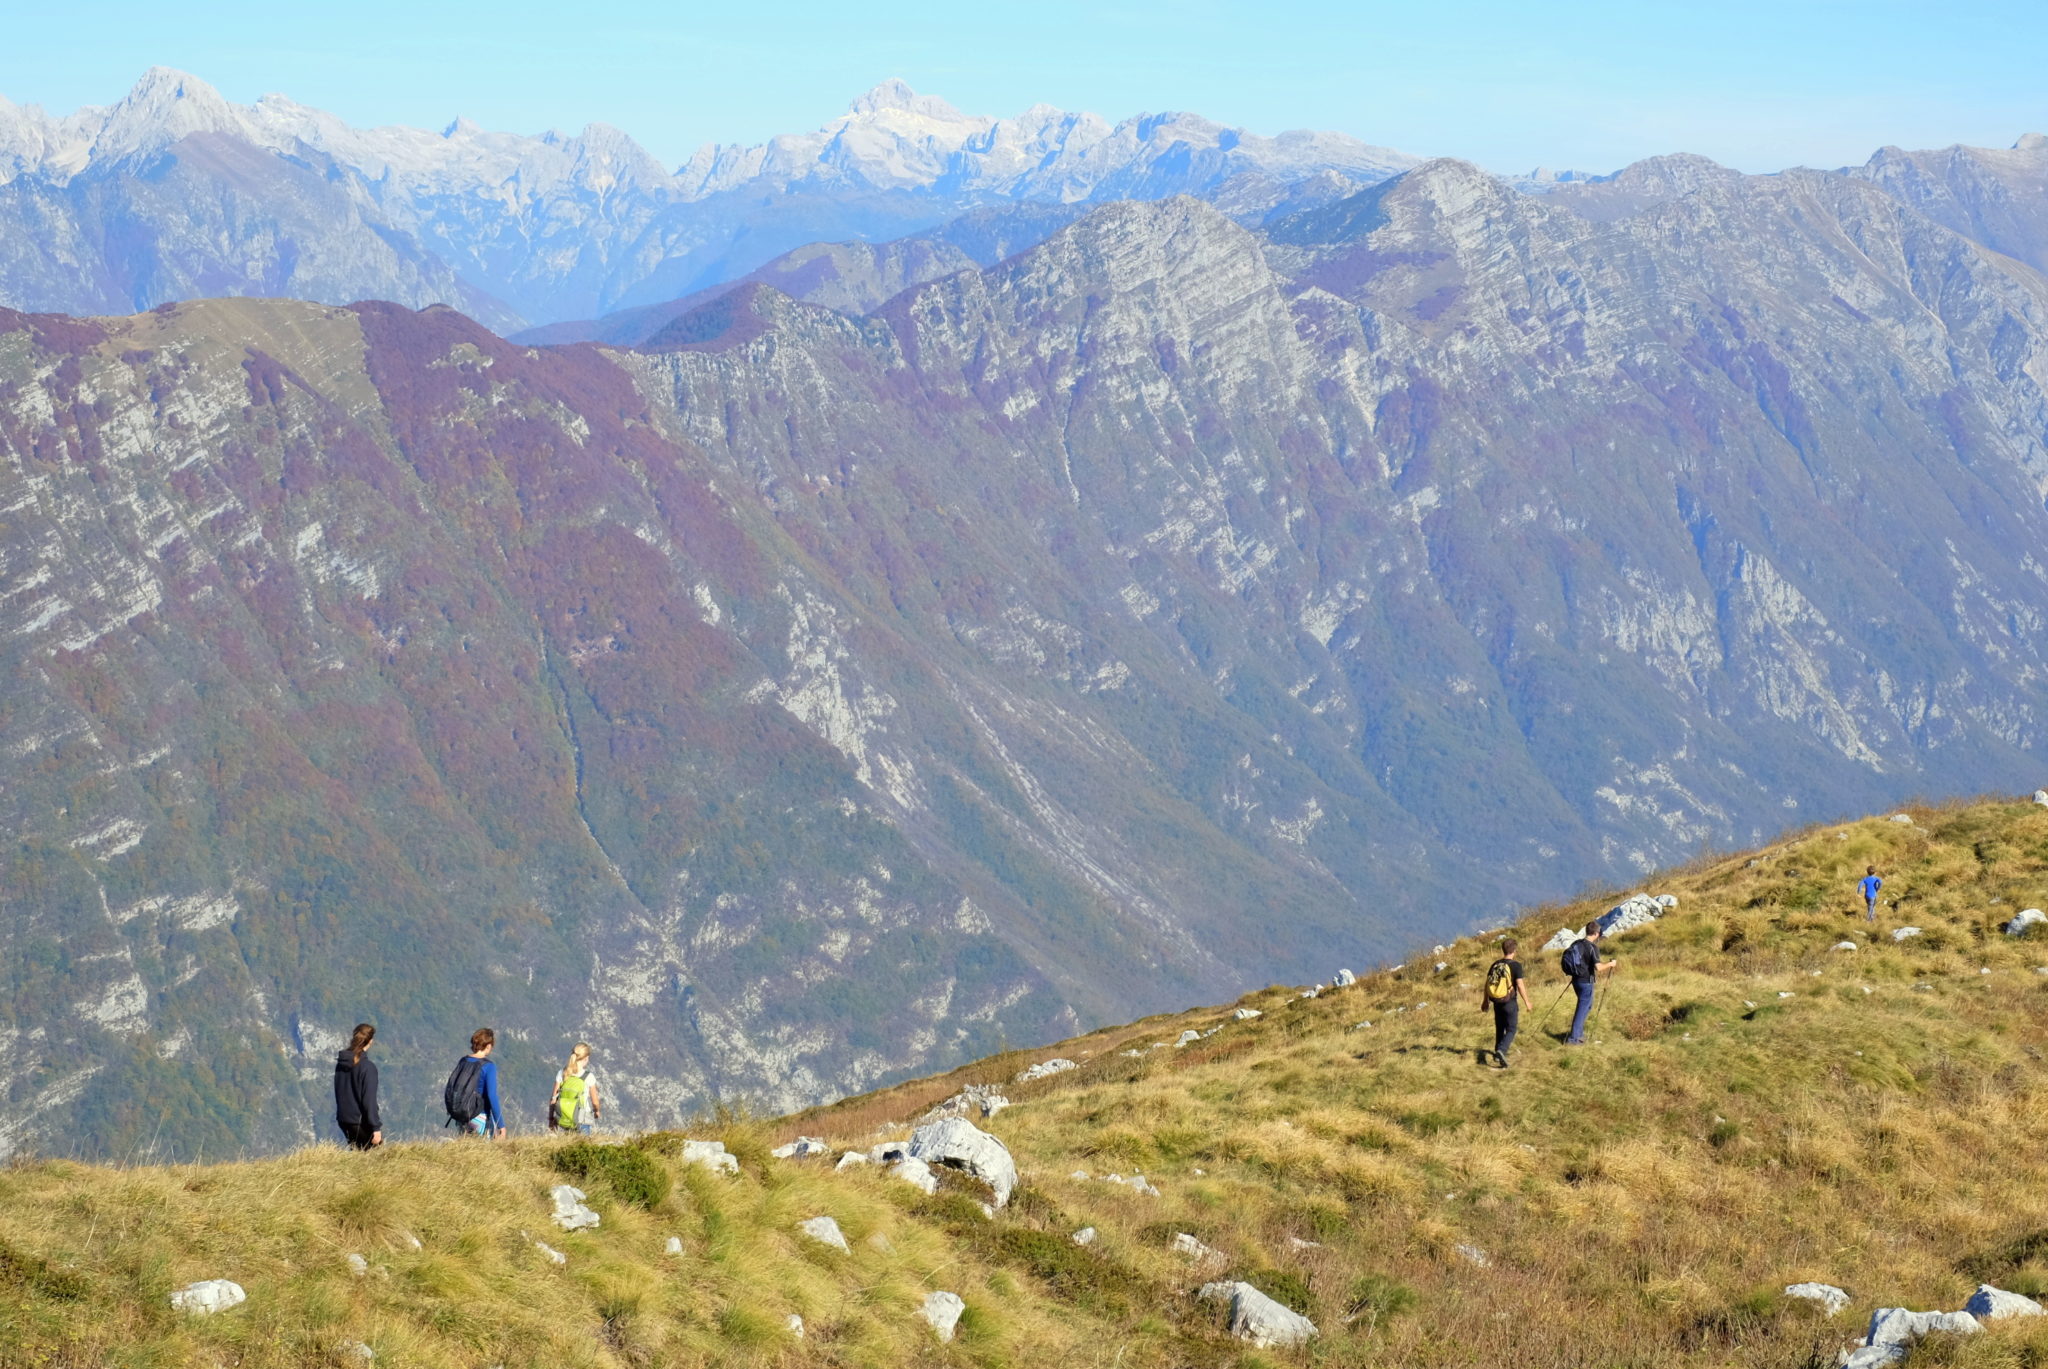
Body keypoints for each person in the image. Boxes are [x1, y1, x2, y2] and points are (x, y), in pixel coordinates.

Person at [1478, 938, 1533, 1067]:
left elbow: (1487, 984)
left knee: (1500, 1027)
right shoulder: (1515, 965)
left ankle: (1497, 1052)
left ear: (1503, 950)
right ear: (1514, 950)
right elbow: (1519, 985)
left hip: (1496, 1001)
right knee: (1512, 1028)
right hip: (1510, 1002)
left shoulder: (1495, 964)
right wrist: (1527, 1002)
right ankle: (1501, 1051)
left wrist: (1485, 1001)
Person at [446, 1027, 506, 1139]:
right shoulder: (488, 1066)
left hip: (462, 1116)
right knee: (484, 1153)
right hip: (480, 1116)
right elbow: (492, 1096)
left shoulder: (463, 1061)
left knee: (467, 1151)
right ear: (488, 1046)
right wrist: (501, 1125)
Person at [1561, 922, 1615, 1045]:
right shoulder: (1592, 947)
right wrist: (1611, 964)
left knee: (1587, 1006)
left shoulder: (1576, 943)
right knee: (1582, 1008)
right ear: (1596, 933)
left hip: (1576, 980)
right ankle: (1574, 1039)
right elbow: (1598, 968)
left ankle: (1579, 1035)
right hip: (1586, 982)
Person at [334, 1023, 382, 1150]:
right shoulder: (367, 1067)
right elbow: (369, 1100)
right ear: (370, 1041)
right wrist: (375, 1127)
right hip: (360, 1121)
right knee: (376, 1161)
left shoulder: (341, 1064)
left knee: (357, 1155)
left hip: (344, 1119)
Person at [551, 1042, 603, 1134]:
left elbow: (553, 1100)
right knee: (584, 1147)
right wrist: (597, 1111)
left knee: (568, 1147)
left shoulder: (562, 1073)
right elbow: (595, 1102)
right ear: (586, 1058)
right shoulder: (588, 1076)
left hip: (565, 1117)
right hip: (582, 1118)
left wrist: (551, 1119)